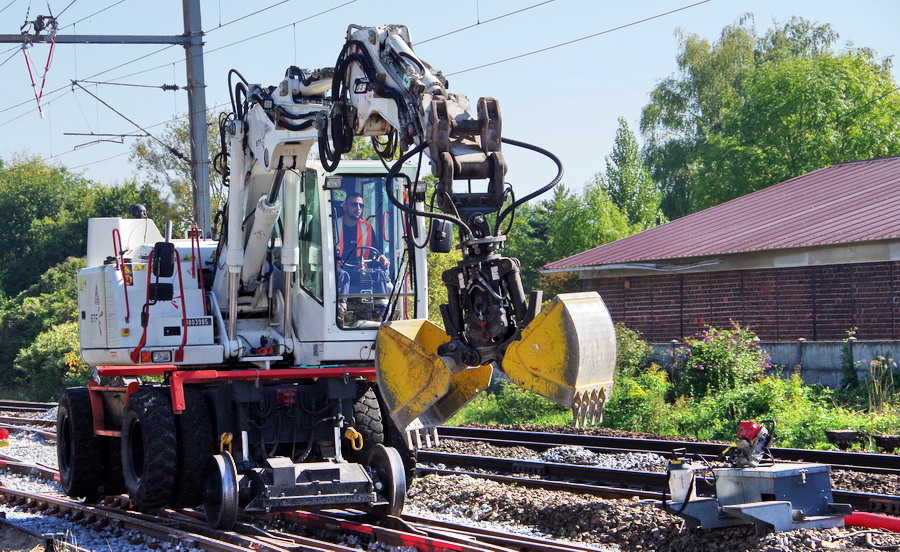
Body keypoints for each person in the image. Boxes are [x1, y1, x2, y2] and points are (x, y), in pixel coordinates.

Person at [335, 192, 391, 325]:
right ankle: (340, 312)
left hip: (361, 268)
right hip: (339, 269)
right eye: (354, 204)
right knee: (343, 276)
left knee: (379, 274)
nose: (358, 208)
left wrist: (382, 257)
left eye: (361, 205)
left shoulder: (367, 227)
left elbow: (376, 251)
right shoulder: (334, 225)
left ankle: (381, 314)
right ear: (345, 206)